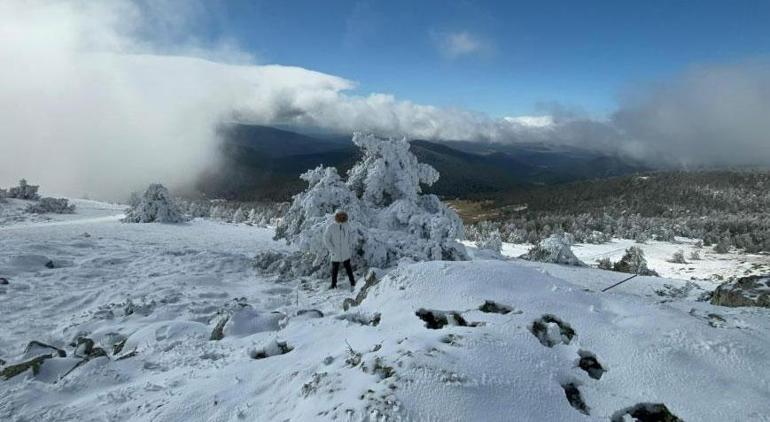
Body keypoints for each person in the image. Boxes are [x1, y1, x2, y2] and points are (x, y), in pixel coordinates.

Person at [323, 210, 356, 289]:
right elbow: (326, 238)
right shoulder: (331, 227)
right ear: (337, 216)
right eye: (340, 216)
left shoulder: (347, 226)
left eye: (343, 216)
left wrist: (348, 244)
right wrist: (332, 249)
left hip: (345, 251)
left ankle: (353, 283)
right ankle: (333, 285)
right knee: (335, 270)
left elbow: (351, 235)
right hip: (335, 252)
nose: (342, 217)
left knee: (348, 268)